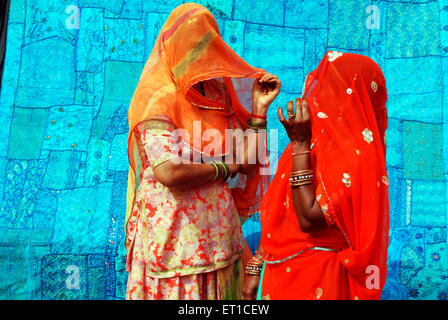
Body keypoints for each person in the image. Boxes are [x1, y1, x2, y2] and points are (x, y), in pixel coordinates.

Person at [125, 3, 280, 300]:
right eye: (191, 47)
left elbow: (246, 164)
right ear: (172, 47)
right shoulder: (156, 98)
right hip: (173, 245)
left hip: (220, 241)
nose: (197, 56)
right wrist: (225, 167)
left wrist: (259, 112)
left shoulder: (216, 93)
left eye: (205, 46)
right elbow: (168, 171)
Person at [243, 51, 389, 300]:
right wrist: (256, 266)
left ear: (352, 96)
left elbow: (310, 219)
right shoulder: (314, 143)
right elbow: (279, 210)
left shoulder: (356, 157)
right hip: (280, 275)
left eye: (333, 86)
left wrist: (299, 143)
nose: (320, 95)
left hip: (318, 280)